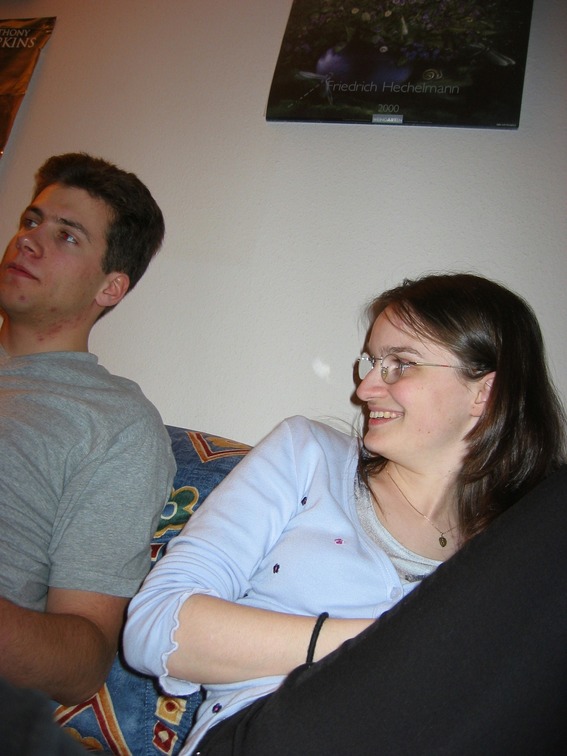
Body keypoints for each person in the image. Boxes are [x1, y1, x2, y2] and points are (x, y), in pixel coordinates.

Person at [124, 273, 567, 755]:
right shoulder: (308, 455)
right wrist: (389, 647)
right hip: (268, 734)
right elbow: (156, 627)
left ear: (484, 393)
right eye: (373, 362)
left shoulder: (515, 549)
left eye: (401, 364)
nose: (366, 387)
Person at [0, 153, 176, 706]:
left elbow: (83, 663)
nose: (28, 240)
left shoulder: (114, 423)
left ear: (110, 288)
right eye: (31, 221)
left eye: (67, 236)